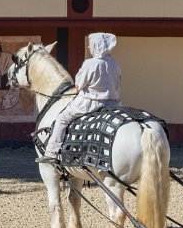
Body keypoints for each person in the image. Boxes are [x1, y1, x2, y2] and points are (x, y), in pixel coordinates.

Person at [36, 32, 121, 164]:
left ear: (97, 46)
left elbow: (78, 86)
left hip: (91, 103)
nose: (88, 47)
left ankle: (51, 153)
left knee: (62, 119)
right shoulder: (114, 63)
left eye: (91, 44)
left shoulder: (91, 63)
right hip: (113, 104)